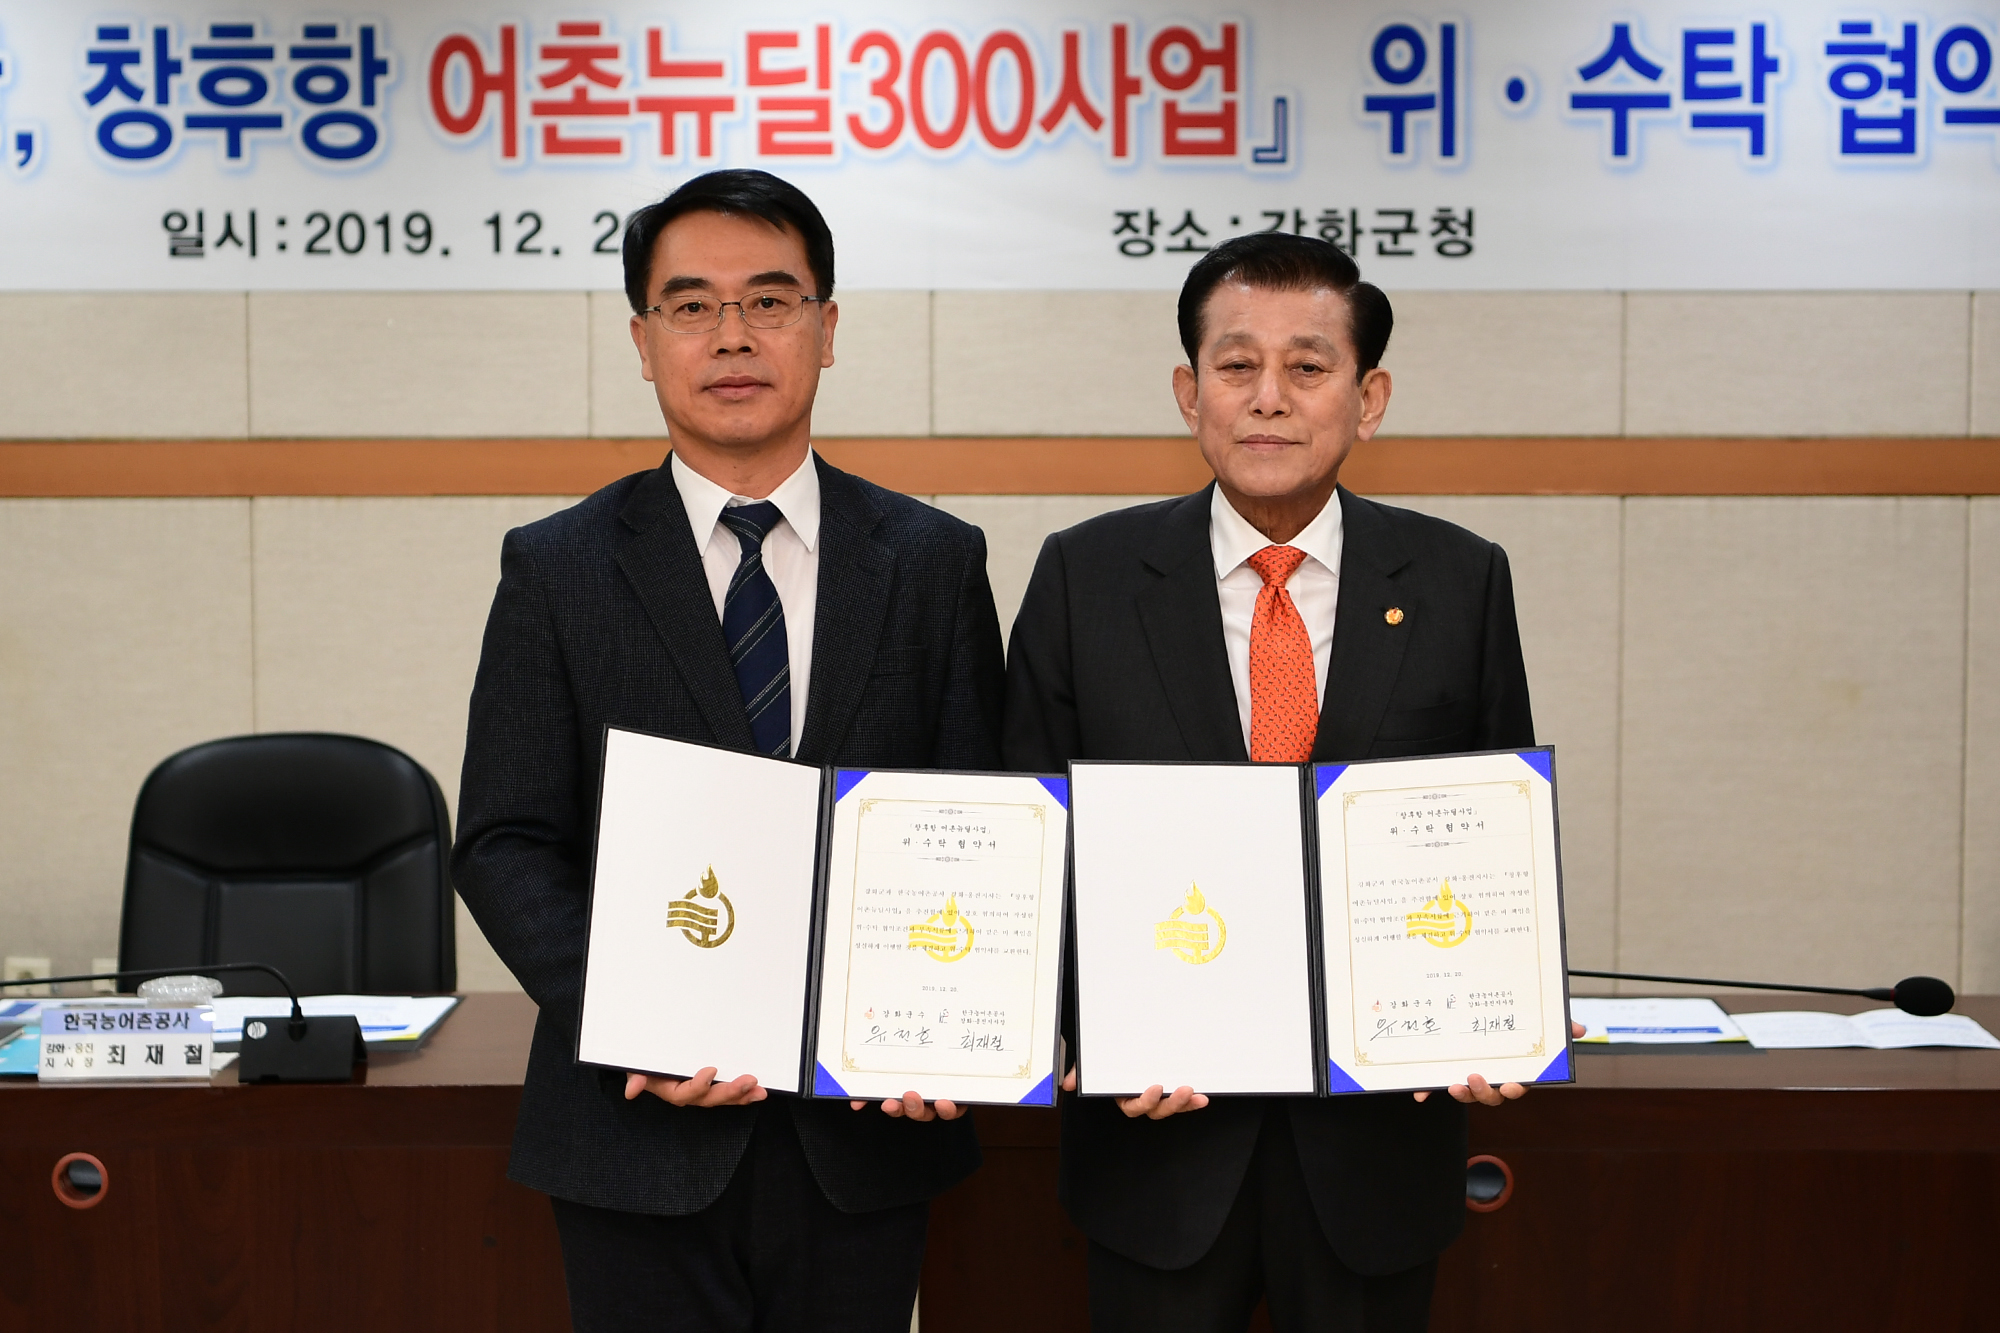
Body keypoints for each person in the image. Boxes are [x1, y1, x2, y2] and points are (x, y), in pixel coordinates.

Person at [453, 169, 1005, 1332]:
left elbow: (979, 817)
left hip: (863, 1127)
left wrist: (954, 1023)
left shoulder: (931, 559)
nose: (733, 336)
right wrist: (632, 1015)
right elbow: (505, 840)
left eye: (769, 300)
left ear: (826, 328)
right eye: (692, 305)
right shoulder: (556, 566)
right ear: (643, 341)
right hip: (633, 1125)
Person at [1003, 231, 1575, 1332]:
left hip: (1375, 1151)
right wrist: (1085, 1026)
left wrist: (1497, 1014)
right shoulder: (1086, 576)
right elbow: (1033, 842)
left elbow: (1492, 826)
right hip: (1156, 1148)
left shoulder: (1459, 579)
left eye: (1307, 367)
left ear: (1368, 399)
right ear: (1189, 392)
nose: (1268, 396)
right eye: (1236, 365)